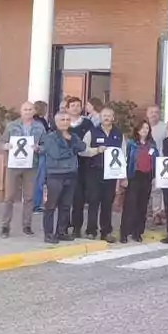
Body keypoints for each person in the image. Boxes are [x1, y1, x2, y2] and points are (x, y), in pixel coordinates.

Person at [0, 101, 47, 238]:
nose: (27, 112)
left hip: (31, 165)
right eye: (25, 109)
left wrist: (39, 148)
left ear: (34, 111)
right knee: (9, 196)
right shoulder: (12, 125)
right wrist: (6, 146)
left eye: (30, 109)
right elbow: (1, 142)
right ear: (21, 111)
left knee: (29, 197)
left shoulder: (39, 127)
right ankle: (5, 226)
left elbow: (45, 145)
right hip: (13, 165)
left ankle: (27, 225)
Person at [42, 112, 83, 243]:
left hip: (71, 174)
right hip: (55, 174)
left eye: (67, 119)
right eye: (62, 119)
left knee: (66, 205)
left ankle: (61, 231)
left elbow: (83, 146)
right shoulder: (50, 137)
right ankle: (48, 233)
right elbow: (56, 154)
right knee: (51, 205)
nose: (65, 122)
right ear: (56, 122)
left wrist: (73, 146)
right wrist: (73, 150)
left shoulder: (73, 136)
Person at [85, 107, 123, 242]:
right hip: (95, 171)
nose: (106, 118)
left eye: (109, 116)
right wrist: (96, 150)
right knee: (94, 201)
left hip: (111, 174)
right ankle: (91, 231)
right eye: (104, 116)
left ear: (113, 118)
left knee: (108, 203)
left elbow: (122, 155)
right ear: (100, 118)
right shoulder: (92, 132)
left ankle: (106, 232)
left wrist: (121, 176)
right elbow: (82, 150)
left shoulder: (118, 133)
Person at [117, 119, 157, 242]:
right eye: (142, 128)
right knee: (130, 205)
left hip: (147, 177)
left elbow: (156, 160)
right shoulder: (131, 144)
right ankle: (124, 232)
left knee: (142, 206)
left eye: (147, 128)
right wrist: (123, 177)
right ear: (137, 130)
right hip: (134, 176)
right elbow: (125, 160)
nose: (145, 130)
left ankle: (137, 232)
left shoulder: (152, 145)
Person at [64, 97, 95, 239]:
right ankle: (63, 226)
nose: (76, 108)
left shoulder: (87, 123)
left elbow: (92, 141)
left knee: (79, 197)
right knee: (64, 197)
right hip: (65, 163)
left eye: (78, 105)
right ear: (67, 108)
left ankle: (77, 227)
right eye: (73, 105)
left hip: (83, 164)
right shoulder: (62, 122)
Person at [145, 105, 168, 226]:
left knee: (157, 189)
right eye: (151, 112)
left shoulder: (164, 128)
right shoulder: (143, 127)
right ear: (147, 114)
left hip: (159, 161)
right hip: (144, 161)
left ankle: (156, 213)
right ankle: (144, 211)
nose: (154, 114)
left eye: (156, 112)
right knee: (144, 187)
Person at [31, 100, 51, 212]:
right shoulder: (41, 122)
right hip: (40, 152)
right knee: (39, 178)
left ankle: (33, 203)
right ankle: (36, 204)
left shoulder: (33, 120)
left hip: (33, 152)